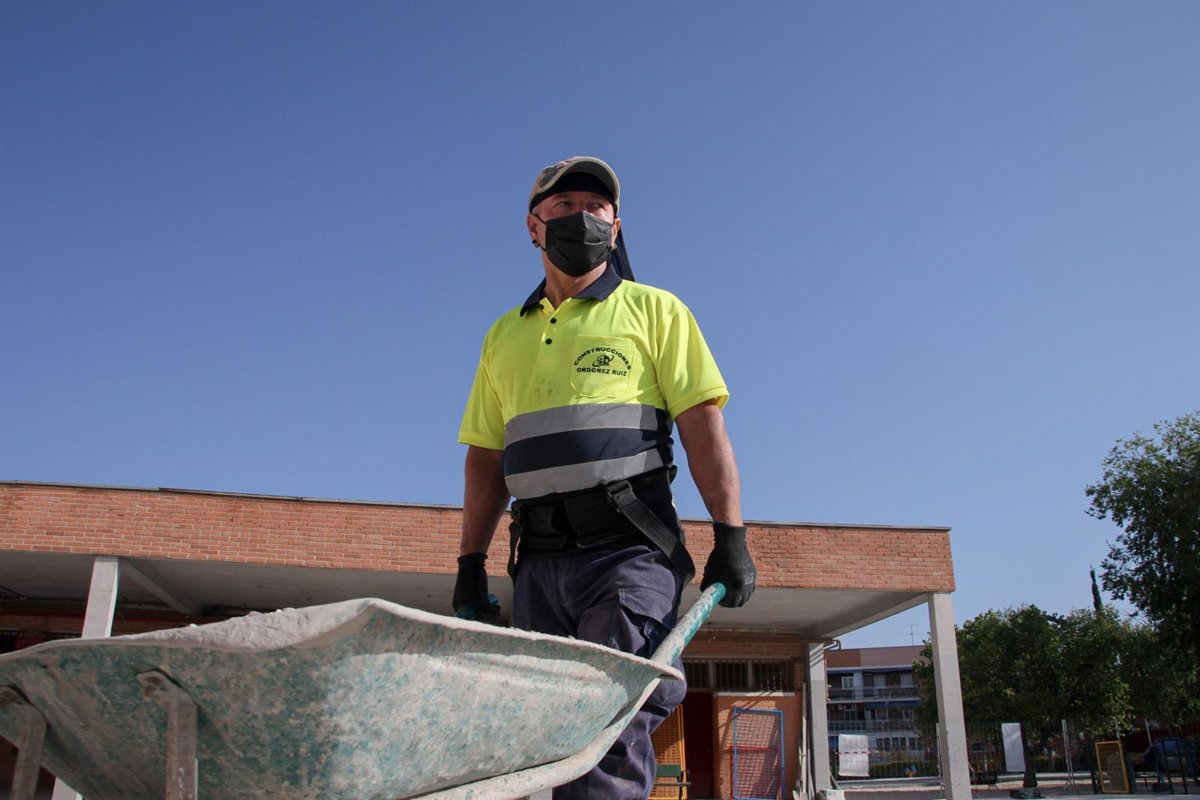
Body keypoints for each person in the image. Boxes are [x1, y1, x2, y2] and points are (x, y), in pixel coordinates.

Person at [454, 155, 756, 800]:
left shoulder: (656, 310)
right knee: (549, 737)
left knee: (608, 725)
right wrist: (470, 562)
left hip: (629, 551)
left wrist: (730, 533)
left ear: (615, 228)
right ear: (533, 227)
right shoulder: (503, 335)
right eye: (564, 207)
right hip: (537, 562)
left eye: (596, 208)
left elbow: (703, 426)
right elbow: (485, 456)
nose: (582, 217)